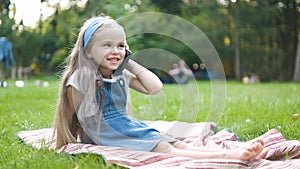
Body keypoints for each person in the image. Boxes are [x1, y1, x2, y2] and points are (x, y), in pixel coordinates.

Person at [53, 16, 264, 161]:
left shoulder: (120, 75)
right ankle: (228, 157)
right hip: (107, 135)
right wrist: (63, 145)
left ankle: (236, 147)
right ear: (88, 51)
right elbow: (69, 114)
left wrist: (130, 62)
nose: (115, 51)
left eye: (121, 45)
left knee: (172, 141)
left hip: (126, 126)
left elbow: (155, 87)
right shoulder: (81, 77)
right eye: (107, 45)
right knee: (167, 149)